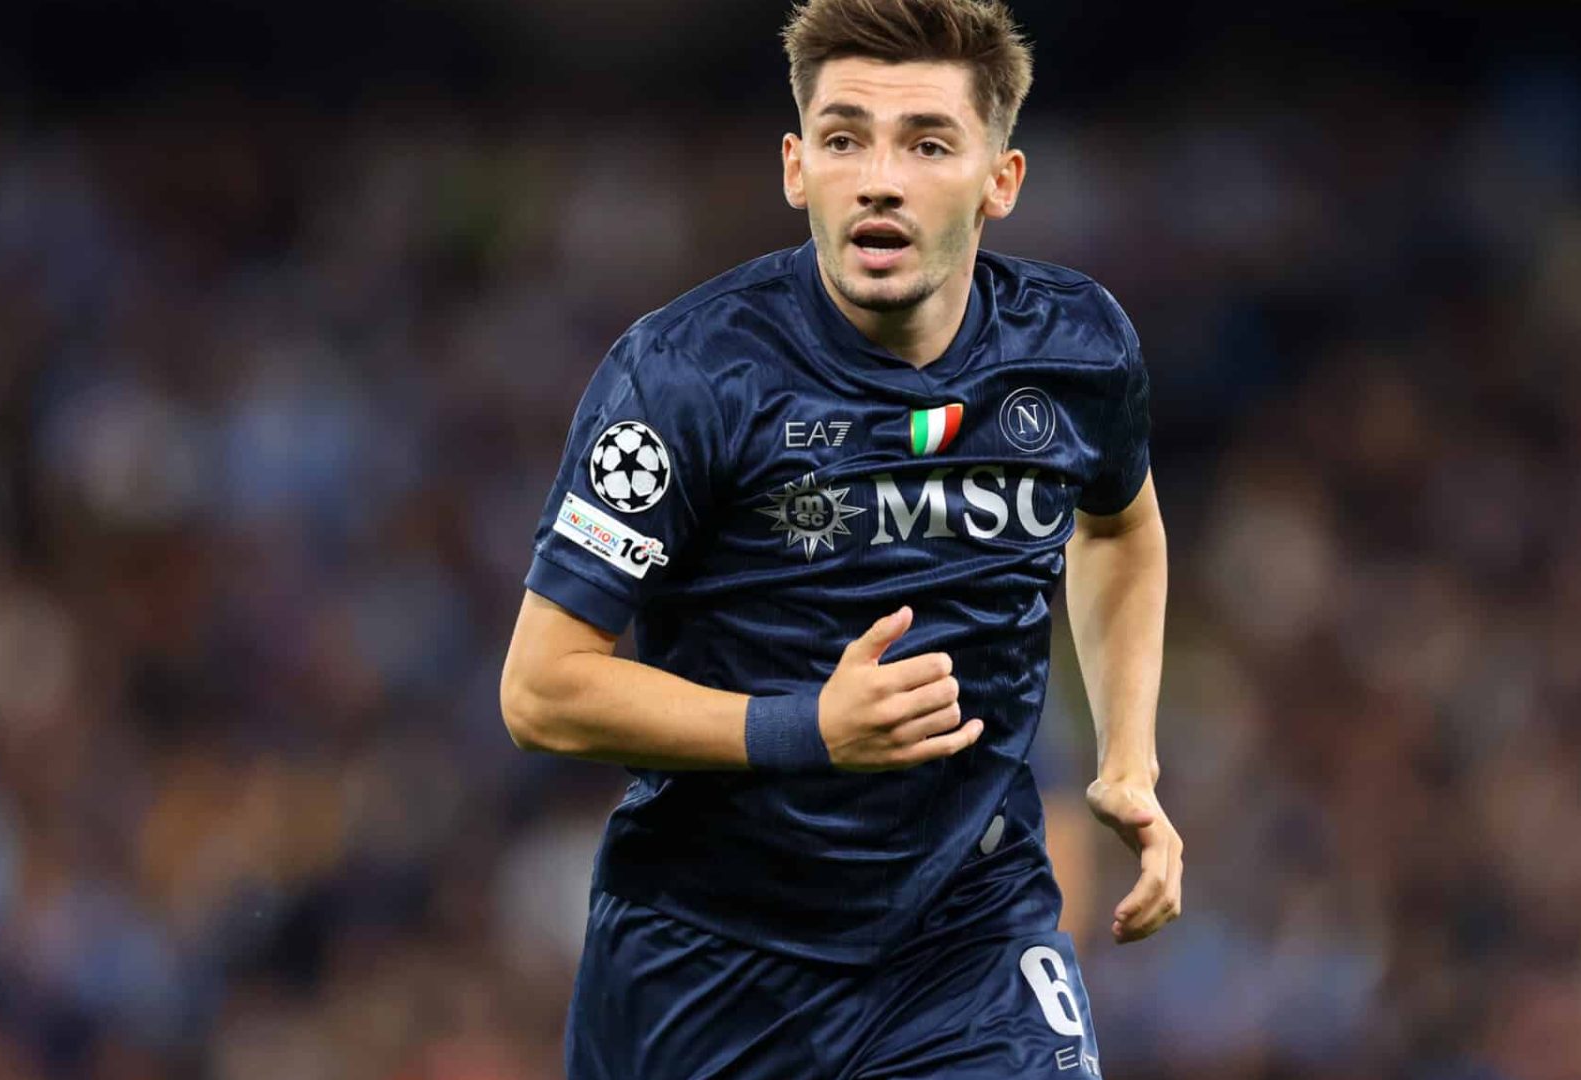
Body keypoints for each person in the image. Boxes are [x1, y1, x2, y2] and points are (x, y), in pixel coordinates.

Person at [498, 0, 1179, 1075]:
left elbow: (1121, 529)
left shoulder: (1078, 348)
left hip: (967, 939)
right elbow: (541, 689)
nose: (879, 177)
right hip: (708, 961)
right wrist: (804, 727)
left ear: (1000, 180)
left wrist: (1128, 758)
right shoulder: (682, 377)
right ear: (796, 167)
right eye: (845, 137)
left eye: (928, 144)